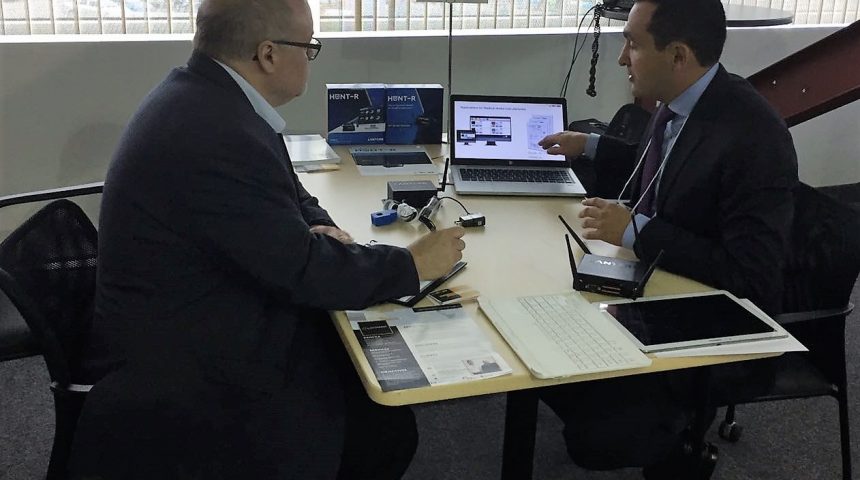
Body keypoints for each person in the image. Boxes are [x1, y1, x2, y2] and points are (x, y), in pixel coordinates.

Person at [69, 0, 466, 478]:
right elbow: (303, 271)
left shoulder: (211, 98)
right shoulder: (218, 132)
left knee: (376, 402)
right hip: (195, 370)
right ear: (269, 54)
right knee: (382, 431)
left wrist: (323, 227)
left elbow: (290, 191)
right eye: (309, 47)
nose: (311, 58)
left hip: (190, 312)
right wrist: (412, 264)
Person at [537, 0, 798, 477]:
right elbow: (662, 167)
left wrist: (635, 231)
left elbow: (751, 277)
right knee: (539, 340)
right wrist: (590, 145)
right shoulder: (680, 103)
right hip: (652, 288)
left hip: (705, 326)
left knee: (593, 433)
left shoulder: (754, 137)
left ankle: (677, 443)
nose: (622, 59)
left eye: (633, 45)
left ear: (678, 55)